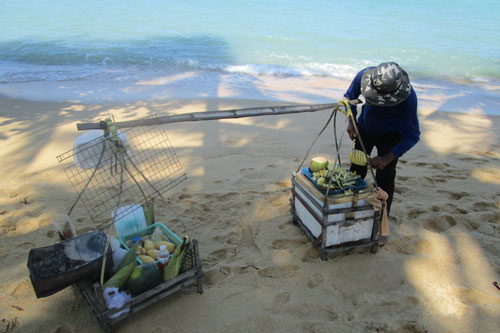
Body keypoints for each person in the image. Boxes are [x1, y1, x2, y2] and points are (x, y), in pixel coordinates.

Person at [344, 62, 420, 218]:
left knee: (385, 177)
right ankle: (348, 205)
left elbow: (413, 134)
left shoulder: (408, 99)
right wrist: (351, 121)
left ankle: (382, 219)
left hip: (391, 136)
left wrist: (388, 157)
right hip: (365, 128)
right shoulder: (363, 76)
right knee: (357, 170)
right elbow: (349, 98)